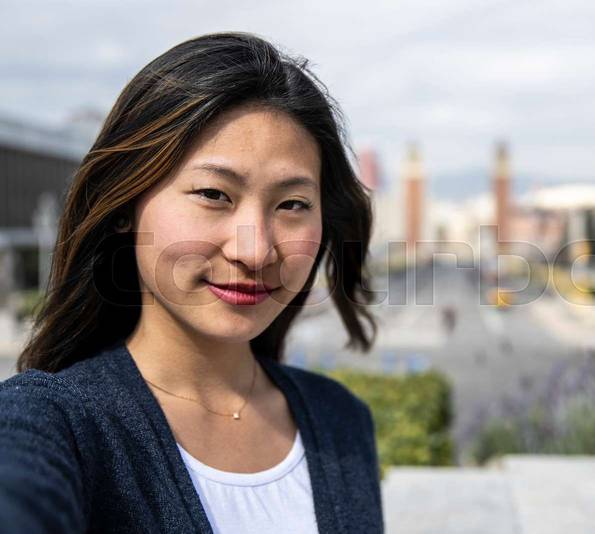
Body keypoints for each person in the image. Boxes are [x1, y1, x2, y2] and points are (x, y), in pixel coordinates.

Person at [0, 32, 383, 533]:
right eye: (213, 194)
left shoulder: (341, 422)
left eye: (292, 205)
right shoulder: (52, 423)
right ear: (123, 205)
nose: (255, 249)